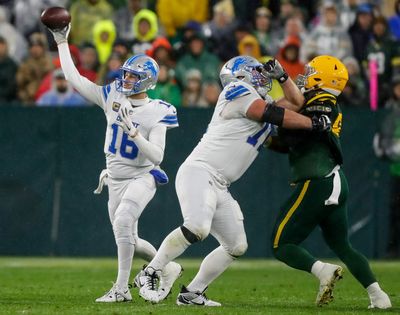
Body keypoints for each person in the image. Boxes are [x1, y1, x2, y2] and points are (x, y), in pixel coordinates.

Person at [136, 55, 332, 306]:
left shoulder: (260, 97)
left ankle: (192, 293)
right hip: (201, 171)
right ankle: (150, 272)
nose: (262, 74)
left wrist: (283, 77)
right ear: (243, 73)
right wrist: (312, 124)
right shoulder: (237, 90)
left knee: (236, 245)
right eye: (257, 70)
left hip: (220, 184)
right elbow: (268, 113)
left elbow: (296, 101)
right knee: (197, 227)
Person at [47, 24, 182, 303]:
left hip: (143, 177)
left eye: (134, 76)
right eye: (127, 74)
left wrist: (135, 134)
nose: (127, 79)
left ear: (147, 80)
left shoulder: (158, 111)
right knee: (128, 236)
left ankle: (121, 290)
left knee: (122, 223)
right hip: (114, 179)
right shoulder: (112, 95)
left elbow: (158, 156)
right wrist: (62, 42)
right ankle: (167, 267)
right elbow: (75, 79)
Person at [265, 56, 392, 309]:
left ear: (324, 78)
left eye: (311, 72)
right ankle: (379, 297)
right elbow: (292, 138)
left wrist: (271, 112)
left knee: (281, 244)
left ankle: (323, 270)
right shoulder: (317, 103)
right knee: (342, 245)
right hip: (333, 180)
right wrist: (270, 138)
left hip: (318, 180)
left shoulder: (324, 101)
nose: (306, 75)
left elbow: (302, 128)